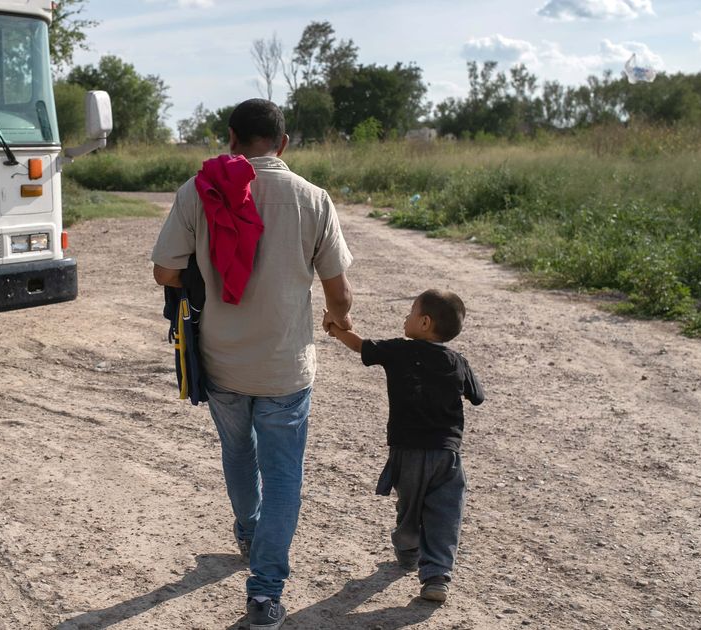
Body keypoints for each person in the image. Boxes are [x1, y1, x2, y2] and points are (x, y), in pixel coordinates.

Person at [151, 98, 354, 629]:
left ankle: (247, 531)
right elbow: (338, 291)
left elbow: (164, 273)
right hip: (285, 366)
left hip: (222, 362)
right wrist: (336, 320)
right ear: (283, 144)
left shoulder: (200, 191)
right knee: (284, 476)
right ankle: (264, 595)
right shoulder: (314, 199)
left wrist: (203, 275)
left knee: (238, 451)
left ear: (232, 139)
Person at [324, 289, 485, 603]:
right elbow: (477, 396)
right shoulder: (458, 361)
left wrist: (336, 328)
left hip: (408, 452)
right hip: (447, 455)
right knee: (445, 514)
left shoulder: (399, 350)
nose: (405, 317)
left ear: (424, 323)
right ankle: (437, 576)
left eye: (410, 312)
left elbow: (360, 346)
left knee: (409, 510)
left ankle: (408, 548)